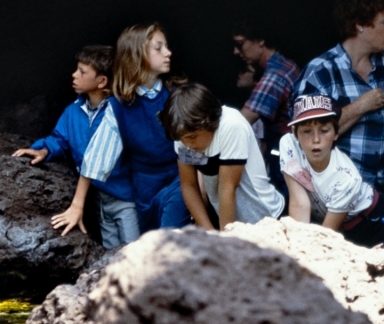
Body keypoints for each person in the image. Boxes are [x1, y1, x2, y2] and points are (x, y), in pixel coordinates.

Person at [12, 45, 138, 248]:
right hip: (99, 199)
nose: (74, 75)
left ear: (102, 81)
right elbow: (60, 138)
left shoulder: (117, 113)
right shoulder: (74, 110)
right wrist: (44, 149)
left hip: (126, 199)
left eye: (82, 72)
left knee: (135, 252)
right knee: (111, 255)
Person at [292, 0, 384, 192]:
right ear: (360, 24)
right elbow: (304, 136)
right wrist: (361, 106)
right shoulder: (321, 71)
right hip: (341, 191)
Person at [80, 23, 190, 233]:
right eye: (159, 48)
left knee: (170, 238)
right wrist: (77, 205)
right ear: (136, 55)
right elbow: (96, 160)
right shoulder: (119, 106)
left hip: (179, 178)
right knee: (150, 244)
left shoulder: (176, 94)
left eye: (166, 46)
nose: (168, 52)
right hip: (144, 188)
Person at [161, 82, 284, 229]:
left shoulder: (231, 125)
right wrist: (209, 232)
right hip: (226, 218)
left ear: (208, 122)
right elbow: (189, 185)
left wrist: (225, 239)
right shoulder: (183, 134)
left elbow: (227, 187)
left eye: (193, 137)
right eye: (182, 139)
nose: (187, 144)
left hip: (264, 217)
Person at [279, 94, 384, 247]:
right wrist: (298, 245)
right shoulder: (288, 145)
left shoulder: (347, 178)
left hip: (367, 221)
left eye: (324, 130)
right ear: (294, 133)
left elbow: (327, 233)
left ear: (336, 133)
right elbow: (300, 203)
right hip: (325, 215)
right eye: (307, 131)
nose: (316, 139)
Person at [231, 21, 301, 186]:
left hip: (286, 154)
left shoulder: (275, 76)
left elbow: (240, 121)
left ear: (260, 40)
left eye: (240, 44)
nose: (235, 51)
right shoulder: (286, 64)